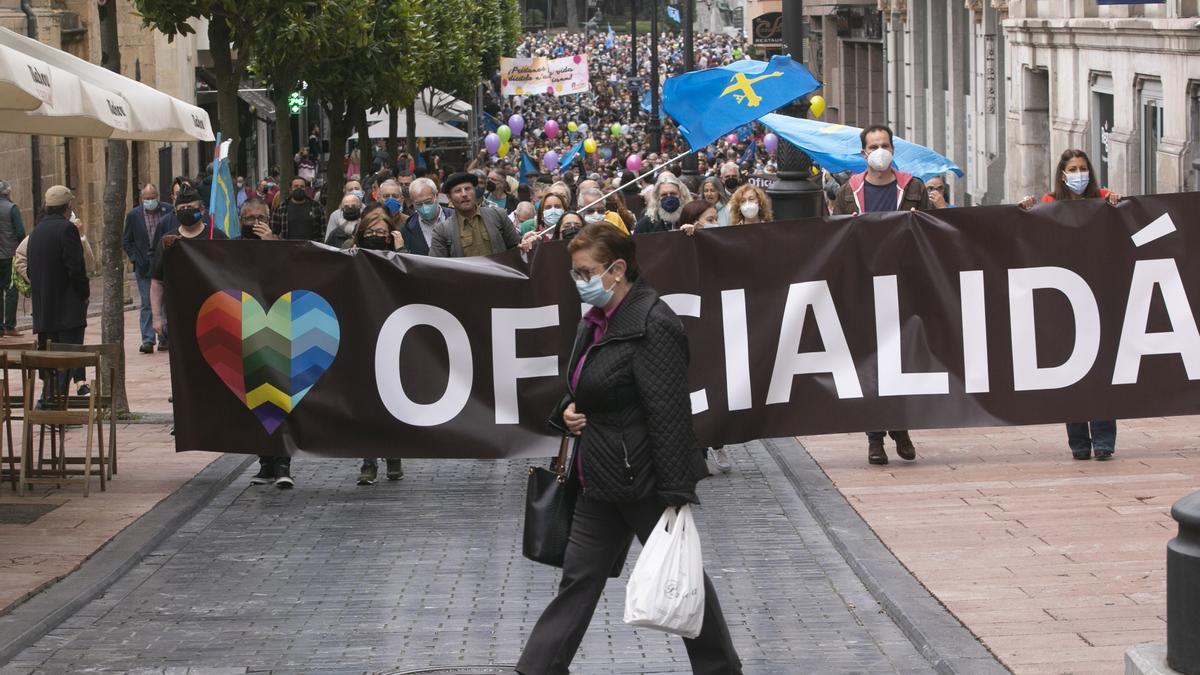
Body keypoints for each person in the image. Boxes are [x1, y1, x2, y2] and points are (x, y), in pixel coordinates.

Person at [516, 223, 742, 675]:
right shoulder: (594, 323)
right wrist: (566, 410)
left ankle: (720, 669)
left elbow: (669, 411)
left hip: (643, 481)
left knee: (681, 578)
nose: (579, 281)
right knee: (578, 580)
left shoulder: (653, 324)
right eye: (575, 273)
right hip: (598, 477)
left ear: (617, 270)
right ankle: (537, 669)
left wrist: (677, 492)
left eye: (586, 272)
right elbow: (583, 386)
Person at [832, 124, 929, 465]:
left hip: (904, 286)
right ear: (863, 154)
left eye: (885, 145)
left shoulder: (913, 188)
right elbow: (834, 238)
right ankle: (875, 437)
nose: (880, 151)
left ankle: (900, 425)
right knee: (869, 364)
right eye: (873, 146)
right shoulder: (849, 191)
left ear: (893, 149)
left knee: (901, 360)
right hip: (863, 287)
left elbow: (934, 235)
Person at [1020, 149, 1121, 460]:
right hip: (1064, 299)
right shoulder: (1049, 204)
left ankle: (1104, 441)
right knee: (1072, 375)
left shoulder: (1104, 199)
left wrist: (1118, 205)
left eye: (1082, 167)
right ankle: (1079, 442)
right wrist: (1027, 210)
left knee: (1102, 372)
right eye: (1072, 168)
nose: (1079, 173)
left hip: (1101, 296)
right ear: (1062, 174)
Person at [28, 186, 90, 395]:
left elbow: (30, 270)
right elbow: (76, 267)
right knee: (66, 358)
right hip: (67, 308)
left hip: (44, 309)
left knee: (50, 364)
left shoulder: (36, 231)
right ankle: (52, 408)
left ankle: (48, 403)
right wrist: (83, 293)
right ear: (68, 206)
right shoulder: (67, 229)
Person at [123, 183, 178, 353]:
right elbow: (127, 240)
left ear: (157, 196)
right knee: (147, 302)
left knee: (164, 302)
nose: (150, 201)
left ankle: (164, 337)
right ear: (141, 199)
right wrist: (134, 258)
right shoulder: (133, 215)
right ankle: (147, 339)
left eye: (152, 198)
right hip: (144, 267)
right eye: (146, 199)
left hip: (164, 264)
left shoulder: (168, 211)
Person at [430, 173, 522, 257]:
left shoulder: (498, 215)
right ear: (449, 197)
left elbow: (516, 249)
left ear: (474, 191)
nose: (464, 194)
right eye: (458, 191)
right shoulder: (442, 231)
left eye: (468, 189)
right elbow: (438, 267)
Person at [0, 180, 27, 336]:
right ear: (7, 193)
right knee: (11, 289)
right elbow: (20, 231)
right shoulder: (12, 208)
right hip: (10, 254)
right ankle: (10, 326)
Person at [400, 177, 451, 256]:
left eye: (428, 202)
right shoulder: (408, 228)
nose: (424, 207)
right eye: (419, 204)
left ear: (436, 195)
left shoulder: (454, 217)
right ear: (412, 203)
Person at [269, 177, 324, 241]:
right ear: (290, 189)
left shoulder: (316, 207)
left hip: (311, 249)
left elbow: (322, 232)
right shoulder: (281, 208)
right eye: (296, 186)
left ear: (305, 189)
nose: (299, 189)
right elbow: (274, 232)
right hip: (289, 249)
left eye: (302, 186)